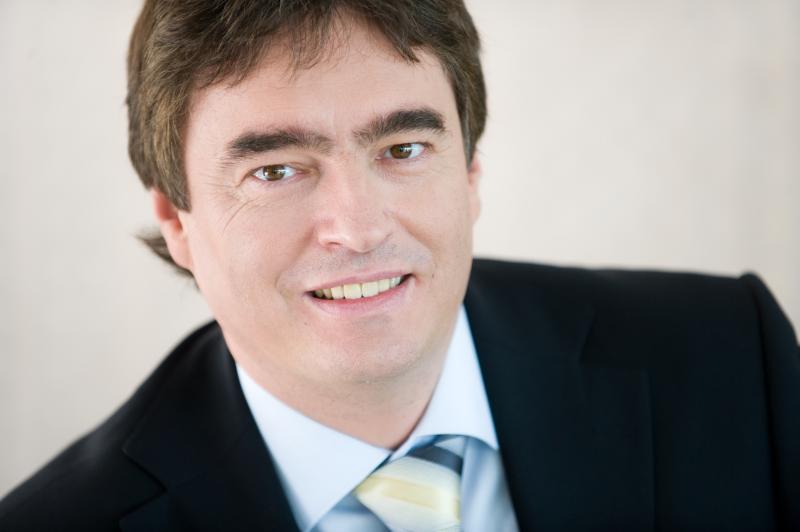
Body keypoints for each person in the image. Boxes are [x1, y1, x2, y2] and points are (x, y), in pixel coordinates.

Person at [1, 0, 798, 530]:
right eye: (275, 169)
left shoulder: (733, 362)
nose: (357, 228)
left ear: (470, 170)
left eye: (404, 148)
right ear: (177, 220)